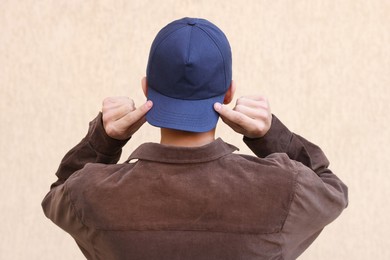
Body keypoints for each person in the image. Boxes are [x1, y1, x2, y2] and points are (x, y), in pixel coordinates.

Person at [42, 17, 348, 260]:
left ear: (147, 88)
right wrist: (270, 134)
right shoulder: (284, 189)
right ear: (229, 92)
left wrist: (104, 139)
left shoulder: (91, 193)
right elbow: (332, 189)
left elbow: (58, 193)